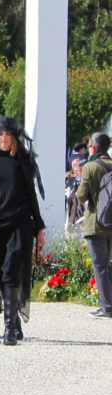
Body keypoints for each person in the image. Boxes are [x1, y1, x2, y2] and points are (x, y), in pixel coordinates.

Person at [0, 116, 46, 345]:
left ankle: (9, 329)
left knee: (12, 271)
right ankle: (13, 320)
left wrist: (40, 227)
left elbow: (31, 195)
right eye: (0, 133)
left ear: (15, 136)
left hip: (19, 223)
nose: (4, 138)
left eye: (8, 134)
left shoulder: (22, 159)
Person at [75, 132, 112, 318]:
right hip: (111, 223)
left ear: (94, 148)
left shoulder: (90, 167)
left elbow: (81, 196)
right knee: (108, 265)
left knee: (100, 266)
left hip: (95, 222)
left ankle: (107, 306)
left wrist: (80, 177)